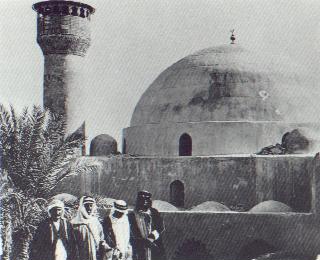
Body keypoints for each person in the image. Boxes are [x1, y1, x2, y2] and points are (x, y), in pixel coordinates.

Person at [128, 191, 166, 260]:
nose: (144, 202)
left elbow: (160, 226)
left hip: (154, 245)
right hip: (140, 249)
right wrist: (142, 242)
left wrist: (152, 237)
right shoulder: (132, 216)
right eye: (142, 200)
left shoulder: (154, 213)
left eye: (147, 199)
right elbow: (132, 233)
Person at [72, 195, 109, 260]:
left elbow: (101, 237)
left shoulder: (95, 222)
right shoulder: (74, 223)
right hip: (81, 255)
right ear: (82, 207)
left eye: (91, 205)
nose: (89, 208)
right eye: (86, 206)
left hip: (95, 255)